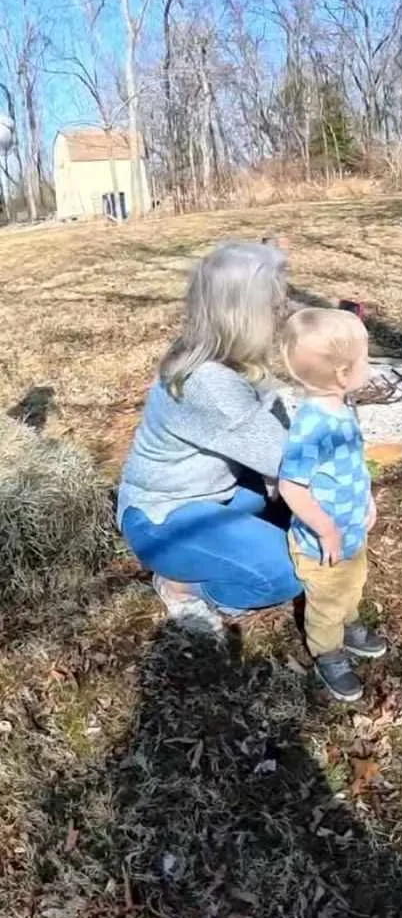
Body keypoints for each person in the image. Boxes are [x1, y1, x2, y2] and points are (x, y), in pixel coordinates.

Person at [118, 240, 300, 635]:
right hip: (166, 519)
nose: (281, 313)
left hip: (214, 492)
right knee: (288, 572)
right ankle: (182, 585)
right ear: (242, 315)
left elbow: (270, 425)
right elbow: (287, 457)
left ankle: (225, 547)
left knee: (297, 512)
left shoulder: (206, 355)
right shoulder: (211, 385)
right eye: (272, 305)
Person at [278, 306, 384, 704]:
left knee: (353, 581)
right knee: (324, 601)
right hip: (323, 542)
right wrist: (325, 528)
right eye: (365, 359)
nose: (368, 365)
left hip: (351, 530)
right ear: (342, 373)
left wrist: (367, 496)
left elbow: (354, 462)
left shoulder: (342, 410)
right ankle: (328, 651)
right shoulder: (313, 426)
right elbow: (292, 486)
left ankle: (350, 621)